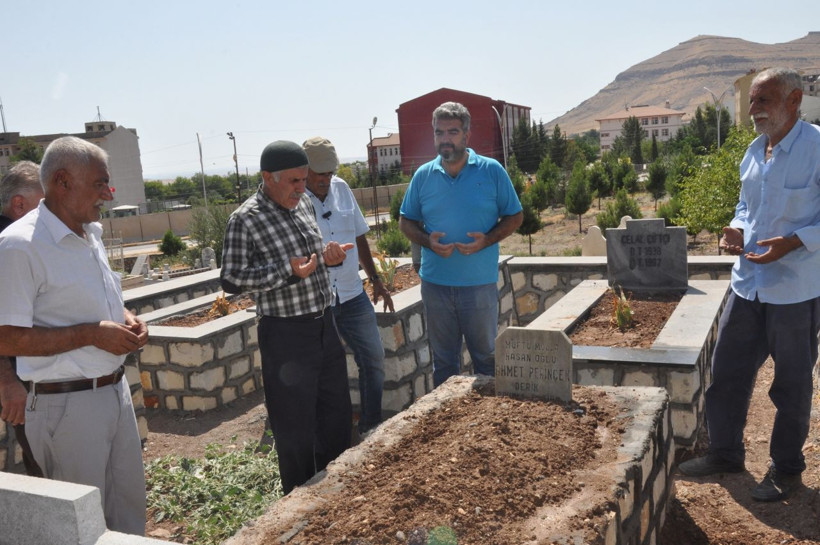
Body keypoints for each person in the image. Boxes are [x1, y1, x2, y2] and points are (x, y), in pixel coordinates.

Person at [678, 68, 820, 502]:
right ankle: (724, 453)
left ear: (794, 100)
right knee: (727, 375)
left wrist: (795, 242)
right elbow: (746, 205)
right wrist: (735, 228)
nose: (754, 109)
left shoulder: (817, 147)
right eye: (753, 101)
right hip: (747, 285)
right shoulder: (754, 151)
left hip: (795, 289)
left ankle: (787, 469)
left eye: (764, 100)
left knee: (791, 385)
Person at [0, 137, 148, 534]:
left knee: (128, 512)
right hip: (65, 407)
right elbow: (6, 339)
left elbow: (97, 305)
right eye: (100, 183)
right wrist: (91, 334)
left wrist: (126, 319)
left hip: (113, 392)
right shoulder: (19, 245)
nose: (108, 193)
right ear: (62, 182)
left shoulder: (90, 233)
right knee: (82, 527)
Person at [220, 140, 354, 494]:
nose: (301, 188)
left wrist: (327, 255)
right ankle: (300, 505)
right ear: (268, 177)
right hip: (286, 338)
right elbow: (231, 279)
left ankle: (338, 499)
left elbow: (310, 258)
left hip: (324, 326)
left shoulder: (304, 203)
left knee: (336, 417)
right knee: (294, 430)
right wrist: (285, 271)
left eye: (303, 179)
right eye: (293, 181)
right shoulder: (245, 219)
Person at [399, 102, 523, 387]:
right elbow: (406, 222)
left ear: (466, 135)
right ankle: (447, 427)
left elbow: (515, 216)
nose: (445, 138)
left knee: (487, 359)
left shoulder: (492, 171)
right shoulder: (423, 176)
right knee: (444, 363)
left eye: (452, 131)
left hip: (478, 285)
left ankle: (489, 424)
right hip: (436, 286)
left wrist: (487, 240)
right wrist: (427, 242)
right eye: (439, 132)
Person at [303, 136, 393, 435]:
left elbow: (359, 238)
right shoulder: (294, 200)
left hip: (352, 295)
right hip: (318, 302)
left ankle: (370, 425)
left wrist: (376, 280)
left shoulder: (341, 189)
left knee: (374, 359)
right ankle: (327, 438)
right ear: (305, 169)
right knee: (324, 373)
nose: (326, 180)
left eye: (330, 173)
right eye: (319, 174)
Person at [0, 160, 45, 477]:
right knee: (44, 468)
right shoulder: (9, 244)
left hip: (29, 377)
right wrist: (7, 381)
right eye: (45, 205)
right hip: (19, 381)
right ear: (19, 204)